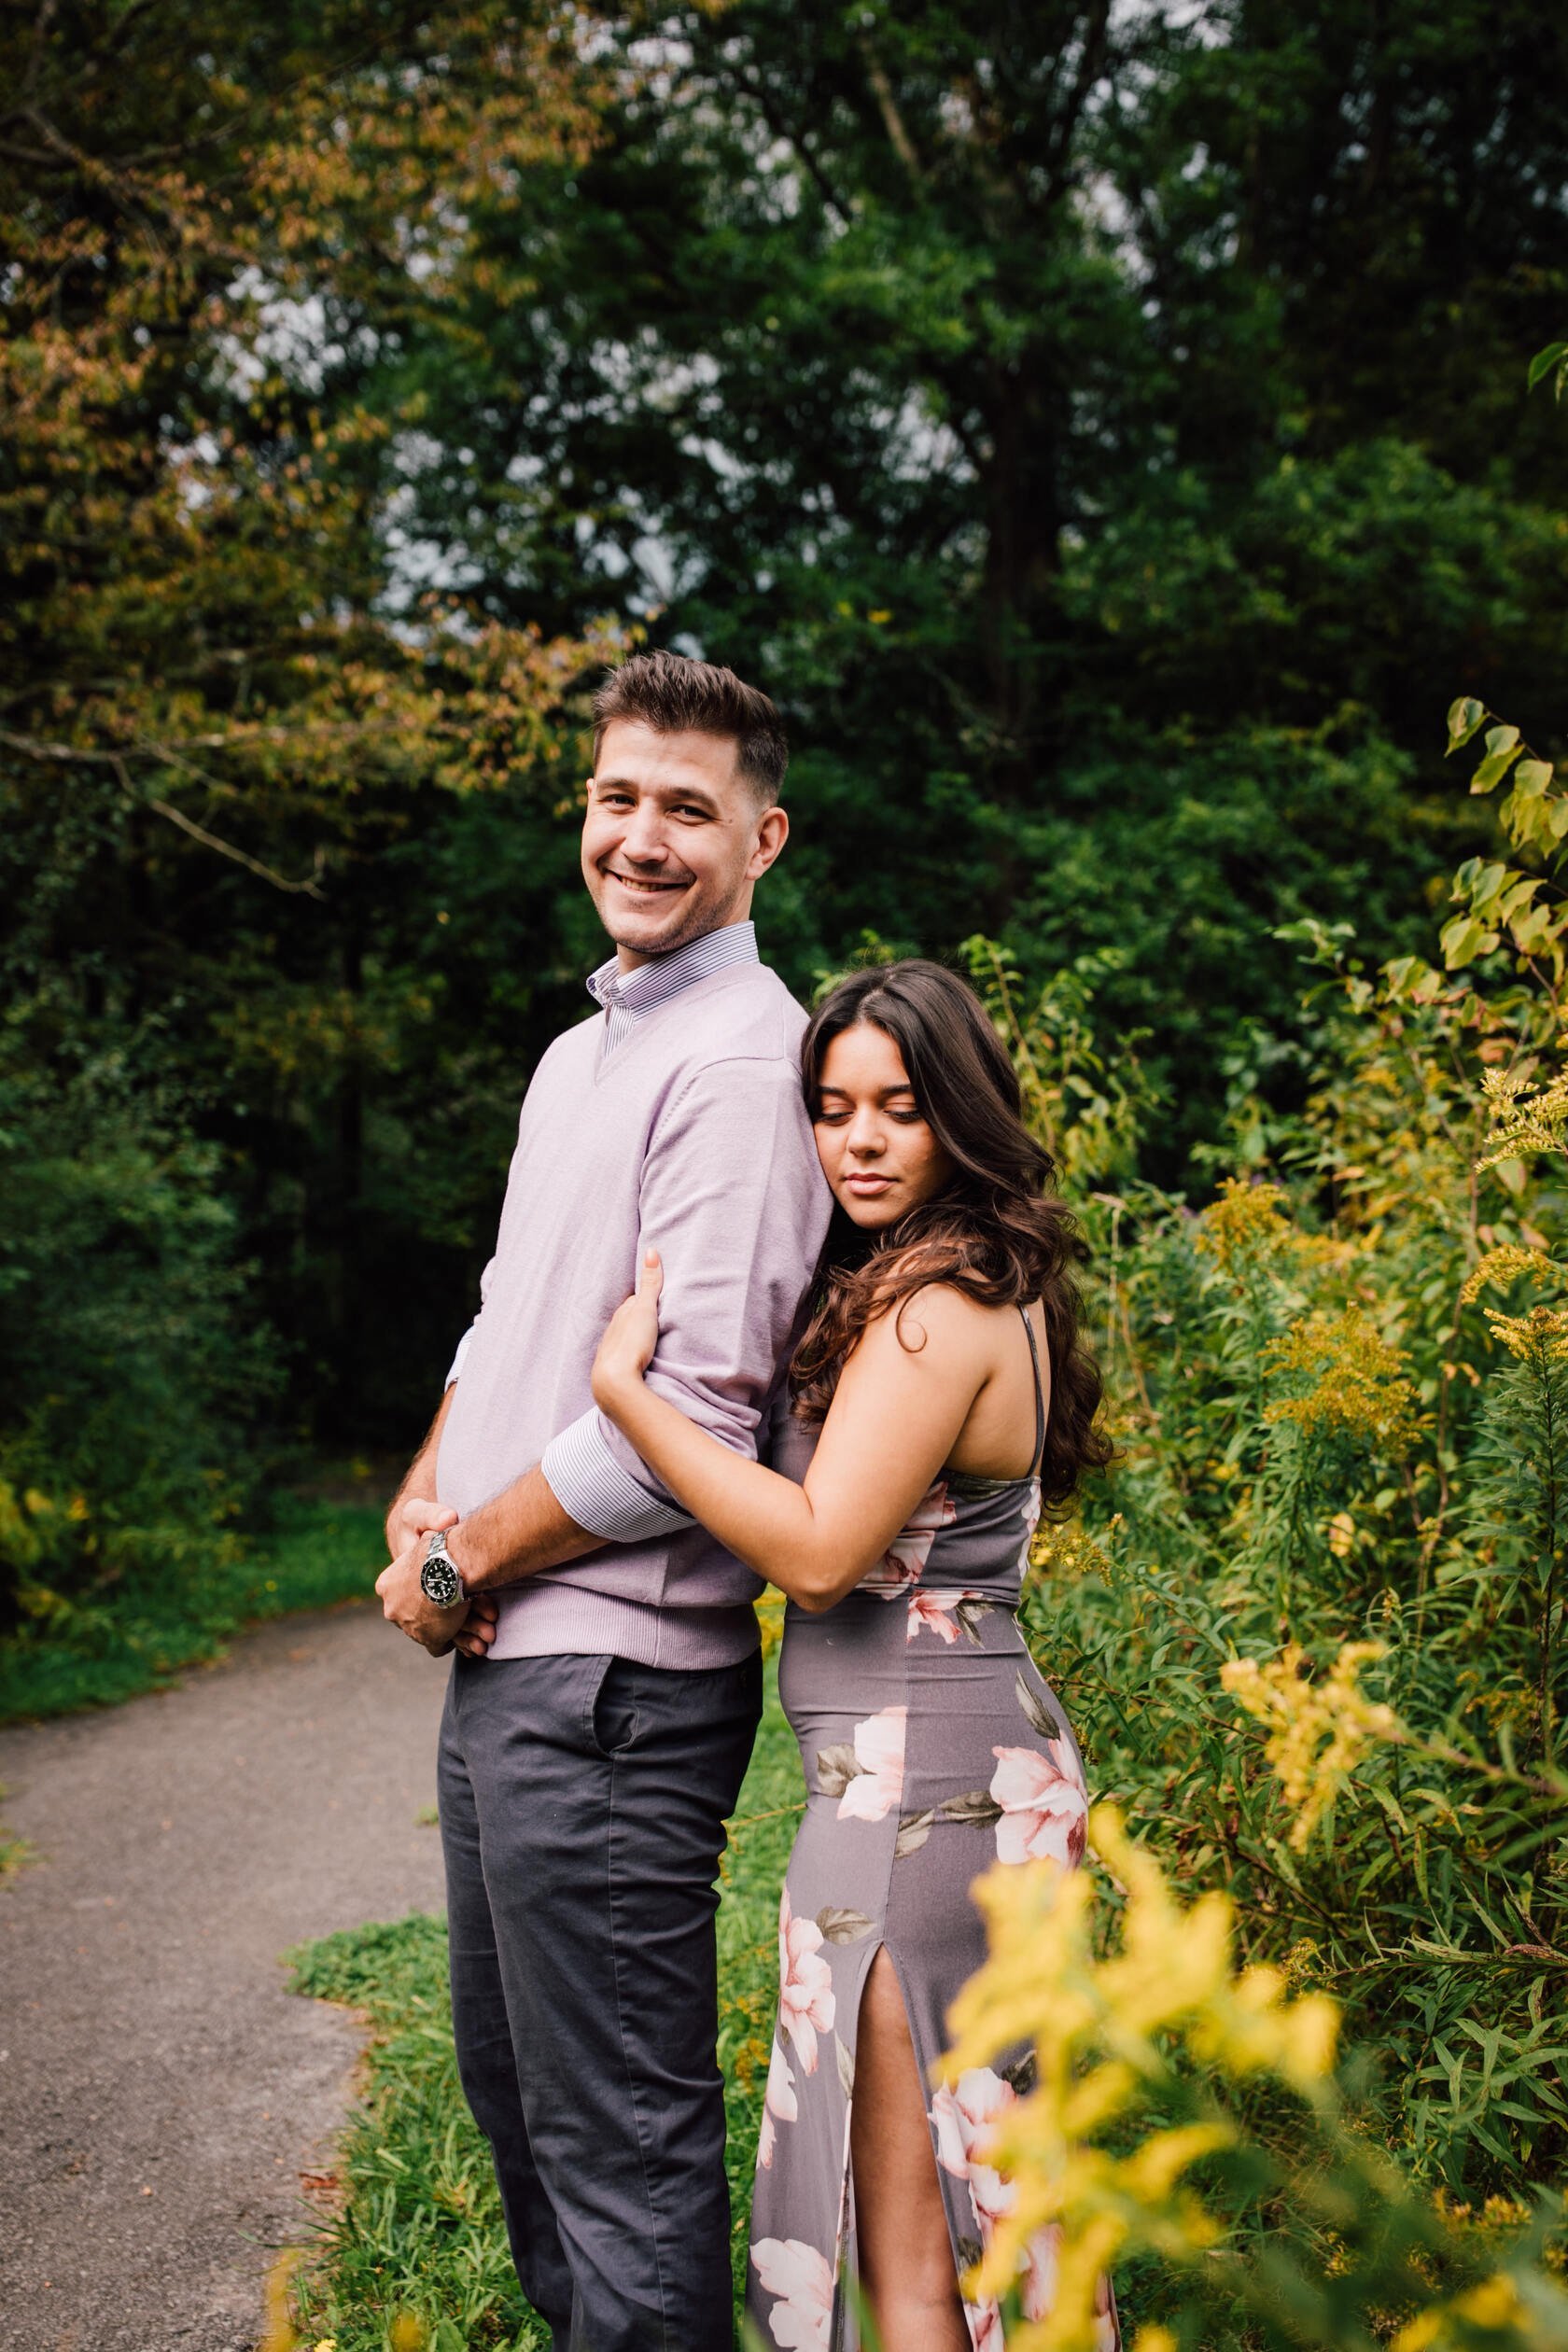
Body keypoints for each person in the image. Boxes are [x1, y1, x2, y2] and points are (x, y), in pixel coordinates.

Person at [373, 650, 832, 2352]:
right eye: (617, 799)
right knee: (518, 2105)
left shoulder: (738, 1065)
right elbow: (509, 1310)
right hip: (514, 1667)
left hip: (616, 1690)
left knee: (617, 2144)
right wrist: (428, 1497)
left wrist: (461, 1561)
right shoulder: (585, 1055)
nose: (641, 839)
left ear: (762, 840)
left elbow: (690, 1422)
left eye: (687, 811)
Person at [590, 958, 1120, 2352]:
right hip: (952, 1780)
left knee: (916, 2247)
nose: (860, 1141)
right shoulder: (971, 1286)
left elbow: (821, 1552)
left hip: (915, 1806)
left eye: (898, 1107)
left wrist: (626, 1403)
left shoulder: (935, 1306)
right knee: (997, 2213)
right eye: (831, 1110)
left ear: (961, 1116)